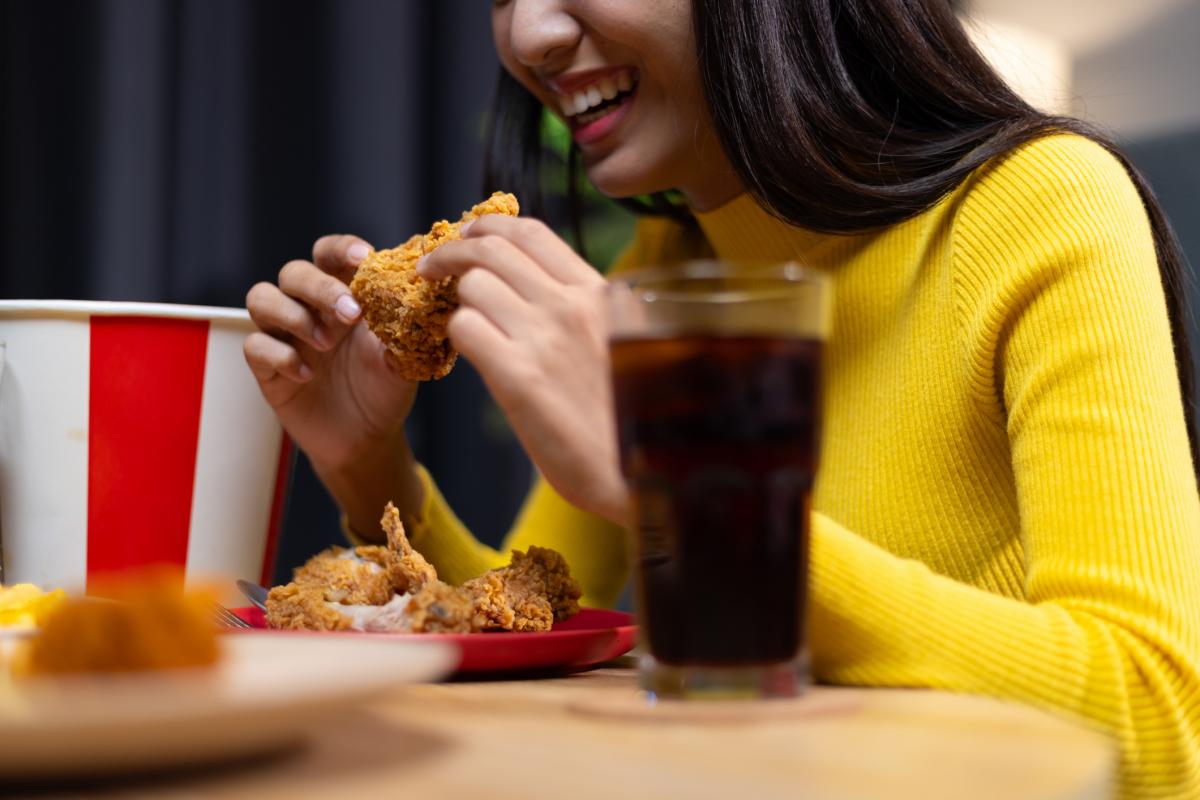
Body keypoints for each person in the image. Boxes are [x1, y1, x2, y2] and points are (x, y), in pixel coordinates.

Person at [245, 1, 1199, 795]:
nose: (528, 32)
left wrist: (688, 484)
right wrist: (366, 457)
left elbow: (1159, 723)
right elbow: (518, 617)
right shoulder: (665, 266)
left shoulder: (1045, 205)